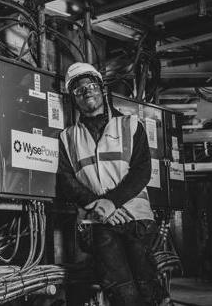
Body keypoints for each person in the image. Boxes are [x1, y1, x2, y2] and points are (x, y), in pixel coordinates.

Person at [57, 63, 162, 305]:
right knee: (122, 291)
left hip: (135, 218)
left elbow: (142, 171)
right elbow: (66, 180)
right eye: (78, 90)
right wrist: (98, 206)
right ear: (74, 98)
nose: (86, 92)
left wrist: (111, 203)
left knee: (148, 286)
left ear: (102, 89)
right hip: (98, 222)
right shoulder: (68, 137)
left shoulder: (131, 125)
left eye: (91, 85)